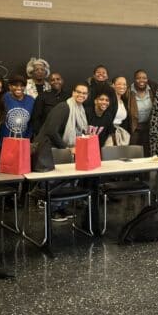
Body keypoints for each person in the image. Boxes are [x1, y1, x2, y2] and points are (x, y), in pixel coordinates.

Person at [33, 82, 90, 222]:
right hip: (50, 148)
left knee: (67, 180)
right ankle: (53, 209)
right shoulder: (63, 107)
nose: (81, 95)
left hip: (63, 149)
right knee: (55, 181)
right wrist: (66, 148)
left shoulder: (80, 109)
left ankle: (62, 207)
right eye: (78, 92)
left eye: (84, 93)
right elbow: (51, 131)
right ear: (73, 92)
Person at [0, 74, 35, 146]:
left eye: (22, 86)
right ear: (9, 86)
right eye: (15, 85)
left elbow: (32, 123)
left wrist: (27, 139)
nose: (19, 88)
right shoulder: (3, 98)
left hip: (22, 143)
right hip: (2, 143)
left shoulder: (31, 100)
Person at [128, 69, 156, 156]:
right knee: (133, 152)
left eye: (144, 78)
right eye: (138, 78)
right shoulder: (129, 91)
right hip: (135, 126)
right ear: (134, 79)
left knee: (147, 151)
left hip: (148, 126)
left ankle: (147, 169)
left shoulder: (152, 90)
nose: (141, 80)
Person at [109, 75, 131, 146]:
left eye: (124, 84)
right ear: (113, 85)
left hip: (120, 135)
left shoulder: (123, 102)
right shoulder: (108, 101)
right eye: (119, 84)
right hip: (109, 135)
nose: (122, 86)